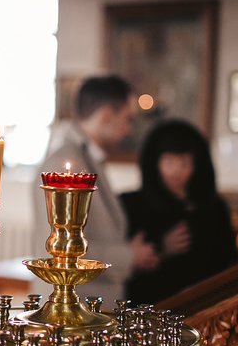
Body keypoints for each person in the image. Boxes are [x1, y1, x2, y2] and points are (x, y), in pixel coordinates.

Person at [31, 75, 159, 303]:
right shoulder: (63, 165)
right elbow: (61, 252)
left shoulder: (88, 158)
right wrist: (130, 256)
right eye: (128, 119)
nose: (129, 130)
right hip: (71, 308)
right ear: (107, 116)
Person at [120, 119, 238, 304]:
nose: (177, 171)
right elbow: (124, 268)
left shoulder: (214, 207)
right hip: (152, 309)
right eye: (169, 162)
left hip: (207, 305)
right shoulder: (132, 205)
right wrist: (162, 249)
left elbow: (228, 260)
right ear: (155, 163)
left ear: (197, 165)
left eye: (184, 163)